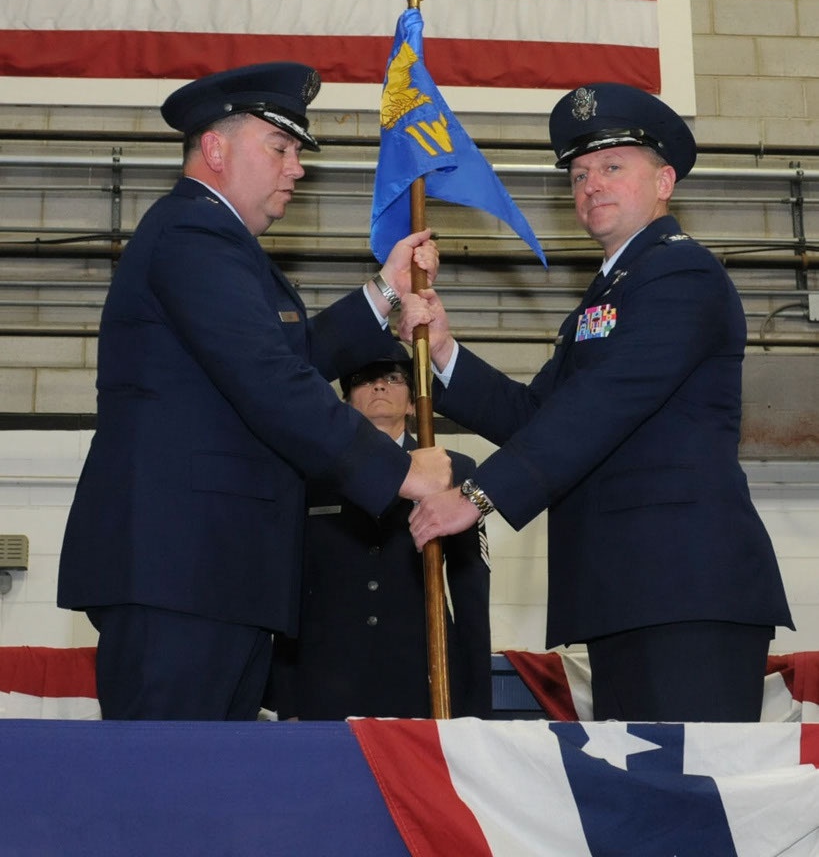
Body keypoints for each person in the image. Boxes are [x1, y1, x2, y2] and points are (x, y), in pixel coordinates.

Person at [57, 61, 452, 721]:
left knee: (206, 794)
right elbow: (269, 379)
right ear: (215, 148)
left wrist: (385, 292)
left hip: (212, 571)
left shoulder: (217, 242)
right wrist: (400, 470)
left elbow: (281, 355)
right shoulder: (192, 232)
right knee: (167, 792)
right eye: (280, 148)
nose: (296, 169)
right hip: (180, 571)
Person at [399, 82, 793, 723]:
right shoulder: (610, 293)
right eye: (579, 173)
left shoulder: (682, 276)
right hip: (626, 594)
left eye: (613, 166)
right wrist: (443, 352)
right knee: (644, 806)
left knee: (688, 799)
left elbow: (604, 406)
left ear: (664, 181)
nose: (591, 184)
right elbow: (537, 418)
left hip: (684, 592)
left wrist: (475, 498)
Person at [273, 352, 492, 720]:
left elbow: (470, 586)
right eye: (361, 379)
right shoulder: (309, 476)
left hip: (422, 673)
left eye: (394, 378)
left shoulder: (453, 470)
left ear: (412, 403)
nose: (378, 385)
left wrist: (475, 702)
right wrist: (286, 696)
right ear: (344, 403)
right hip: (326, 676)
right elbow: (289, 586)